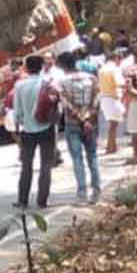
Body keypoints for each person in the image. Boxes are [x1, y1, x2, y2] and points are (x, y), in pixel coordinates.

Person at [57, 53, 102, 204]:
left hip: (73, 123)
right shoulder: (92, 78)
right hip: (91, 123)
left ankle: (82, 193)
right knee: (93, 156)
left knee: (77, 159)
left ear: (63, 66)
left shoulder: (62, 82)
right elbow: (96, 100)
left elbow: (67, 104)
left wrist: (81, 119)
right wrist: (88, 119)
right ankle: (96, 190)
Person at [12, 56, 55, 209]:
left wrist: (17, 127)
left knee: (26, 166)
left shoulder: (19, 85)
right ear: (42, 66)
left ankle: (22, 200)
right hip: (46, 127)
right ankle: (42, 200)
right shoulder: (48, 81)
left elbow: (16, 111)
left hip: (28, 130)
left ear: (26, 68)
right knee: (46, 165)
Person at [99, 52, 126, 154]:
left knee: (112, 123)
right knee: (114, 124)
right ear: (116, 58)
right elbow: (120, 83)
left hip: (105, 98)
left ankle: (112, 145)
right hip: (113, 97)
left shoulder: (102, 69)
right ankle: (110, 147)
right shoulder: (115, 69)